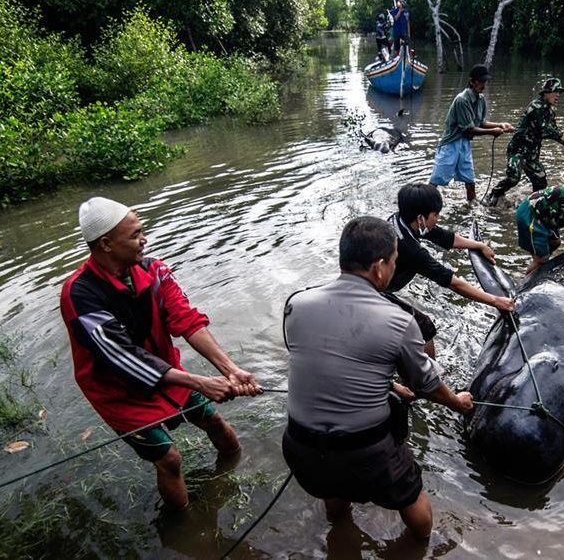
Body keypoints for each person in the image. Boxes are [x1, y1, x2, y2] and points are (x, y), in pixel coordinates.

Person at [59, 197, 262, 510]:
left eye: (143, 231)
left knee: (215, 422)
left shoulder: (154, 270)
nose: (145, 240)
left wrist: (230, 370)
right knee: (169, 459)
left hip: (172, 375)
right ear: (106, 244)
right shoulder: (79, 293)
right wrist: (199, 382)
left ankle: (234, 476)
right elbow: (122, 356)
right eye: (135, 235)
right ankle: (183, 525)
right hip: (120, 395)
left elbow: (187, 320)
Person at [282, 216, 474, 539]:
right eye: (395, 262)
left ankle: (342, 538)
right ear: (379, 267)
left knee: (335, 499)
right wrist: (458, 402)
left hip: (301, 448)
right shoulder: (398, 321)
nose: (395, 268)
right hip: (367, 453)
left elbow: (329, 365)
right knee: (421, 520)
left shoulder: (296, 304)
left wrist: (387, 385)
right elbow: (426, 385)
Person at [387, 184, 515, 357]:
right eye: (435, 214)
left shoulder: (401, 220)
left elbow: (443, 237)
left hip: (367, 282)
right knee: (424, 328)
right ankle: (429, 378)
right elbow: (452, 282)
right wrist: (495, 301)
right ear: (420, 218)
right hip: (375, 292)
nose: (438, 218)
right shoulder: (411, 250)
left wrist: (479, 245)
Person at [484, 78, 564, 207]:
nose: (558, 95)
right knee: (513, 178)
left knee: (541, 182)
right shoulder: (535, 107)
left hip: (531, 154)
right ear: (546, 92)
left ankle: (533, 205)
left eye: (559, 92)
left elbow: (555, 130)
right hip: (518, 150)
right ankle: (495, 193)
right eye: (556, 91)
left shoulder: (550, 111)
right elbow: (545, 129)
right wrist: (563, 137)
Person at [429, 64, 514, 203]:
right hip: (450, 144)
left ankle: (472, 207)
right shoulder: (462, 100)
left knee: (470, 180)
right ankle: (423, 204)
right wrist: (493, 132)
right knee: (436, 180)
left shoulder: (480, 100)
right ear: (472, 81)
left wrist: (501, 124)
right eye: (481, 81)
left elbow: (481, 123)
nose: (484, 85)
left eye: (485, 81)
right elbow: (469, 129)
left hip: (464, 143)